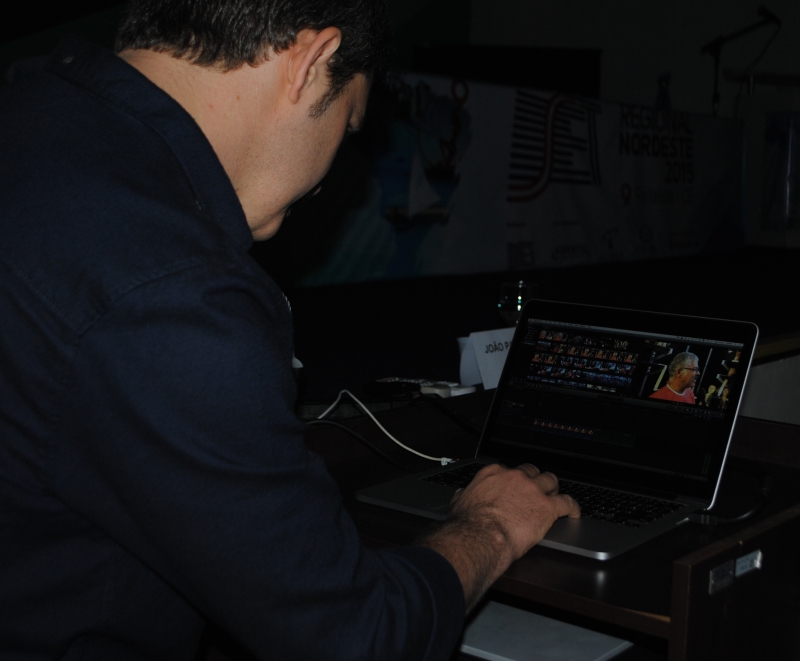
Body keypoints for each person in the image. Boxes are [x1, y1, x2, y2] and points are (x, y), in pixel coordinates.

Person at [0, 1, 579, 660]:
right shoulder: (177, 292)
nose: (327, 181)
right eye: (348, 123)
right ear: (312, 61)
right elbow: (358, 640)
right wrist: (492, 524)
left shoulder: (28, 111)